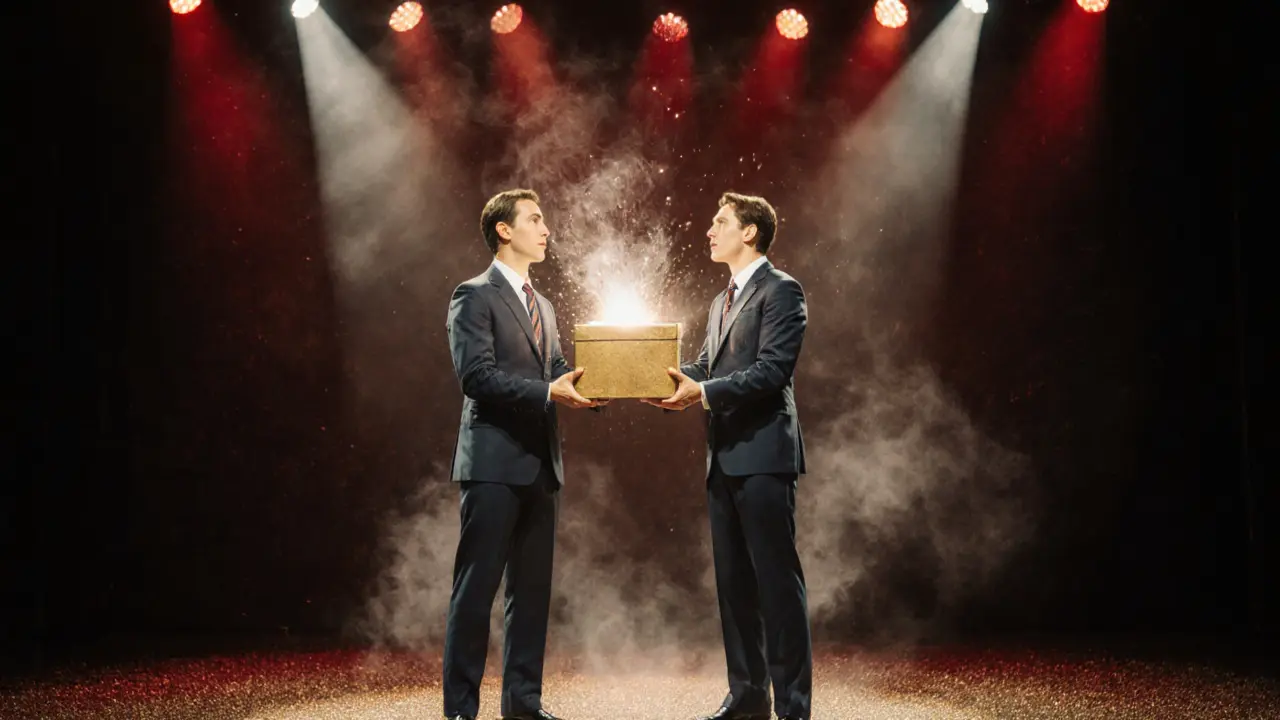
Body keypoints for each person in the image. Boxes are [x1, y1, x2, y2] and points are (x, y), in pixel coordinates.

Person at [645, 192, 813, 720]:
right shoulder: (722, 302)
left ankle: (792, 706)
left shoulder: (782, 291)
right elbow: (701, 365)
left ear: (750, 232)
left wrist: (703, 393)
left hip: (764, 456)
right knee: (734, 587)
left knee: (776, 586)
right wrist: (658, 380)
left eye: (720, 222)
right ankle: (747, 697)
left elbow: (771, 372)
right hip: (724, 458)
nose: (709, 231)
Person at [443, 189, 598, 720]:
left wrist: (602, 379)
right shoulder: (473, 295)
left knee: (530, 597)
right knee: (475, 593)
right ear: (504, 230)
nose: (546, 228)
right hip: (491, 465)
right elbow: (476, 377)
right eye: (535, 218)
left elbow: (555, 369)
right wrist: (550, 392)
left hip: (541, 466)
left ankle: (523, 705)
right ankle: (461, 710)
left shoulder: (545, 305)